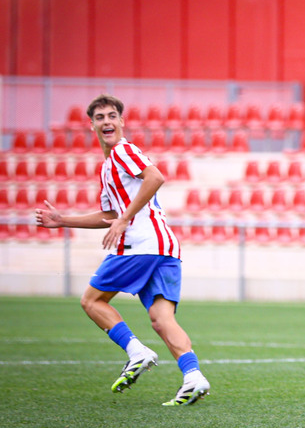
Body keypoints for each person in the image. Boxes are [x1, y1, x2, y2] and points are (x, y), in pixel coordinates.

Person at [35, 94, 210, 405]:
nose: (106, 121)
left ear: (122, 121)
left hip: (140, 244)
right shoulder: (108, 167)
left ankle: (136, 351)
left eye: (111, 116)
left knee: (91, 300)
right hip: (163, 245)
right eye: (100, 117)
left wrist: (125, 219)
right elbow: (110, 216)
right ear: (91, 125)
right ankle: (194, 377)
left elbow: (155, 177)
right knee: (160, 318)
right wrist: (62, 220)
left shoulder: (122, 151)